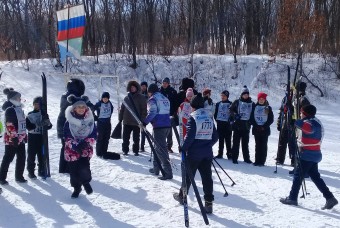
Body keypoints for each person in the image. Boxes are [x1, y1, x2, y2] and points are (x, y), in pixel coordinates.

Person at [280, 105, 338, 210]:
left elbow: (309, 129)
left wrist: (296, 121)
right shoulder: (316, 121)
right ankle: (330, 198)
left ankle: (292, 198)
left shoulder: (310, 123)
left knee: (298, 176)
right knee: (315, 177)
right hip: (314, 154)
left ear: (305, 113)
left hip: (307, 155)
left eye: (301, 112)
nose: (301, 114)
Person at [173, 93, 219, 214]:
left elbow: (189, 137)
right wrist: (207, 145)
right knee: (207, 179)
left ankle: (182, 196)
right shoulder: (209, 116)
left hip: (194, 154)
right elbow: (215, 136)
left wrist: (183, 147)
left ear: (193, 106)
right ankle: (209, 203)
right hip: (207, 154)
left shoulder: (193, 117)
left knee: (188, 177)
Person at [64, 95, 97, 198]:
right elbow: (67, 136)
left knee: (84, 168)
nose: (81, 109)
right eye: (79, 107)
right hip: (72, 151)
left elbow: (94, 134)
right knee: (73, 172)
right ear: (74, 108)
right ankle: (76, 188)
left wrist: (86, 143)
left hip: (85, 149)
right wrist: (74, 145)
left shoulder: (90, 120)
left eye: (83, 107)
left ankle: (86, 182)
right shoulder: (68, 122)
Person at [143, 83, 173, 180]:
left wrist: (145, 122)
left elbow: (153, 112)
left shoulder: (152, 99)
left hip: (159, 126)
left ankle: (168, 172)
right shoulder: (164, 98)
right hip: (167, 125)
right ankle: (156, 168)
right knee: (157, 147)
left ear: (150, 92)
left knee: (160, 149)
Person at [0, 88, 30, 185]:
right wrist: (14, 137)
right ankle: (1, 178)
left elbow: (22, 123)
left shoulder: (19, 109)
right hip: (12, 139)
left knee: (21, 157)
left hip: (20, 137)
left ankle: (19, 176)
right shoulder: (10, 110)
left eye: (20, 98)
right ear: (13, 98)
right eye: (18, 98)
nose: (20, 99)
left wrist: (24, 135)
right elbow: (9, 124)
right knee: (8, 158)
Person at [57, 78, 86, 173]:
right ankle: (67, 167)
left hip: (64, 123)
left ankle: (65, 167)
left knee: (66, 146)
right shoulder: (71, 97)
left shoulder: (66, 95)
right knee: (69, 146)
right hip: (67, 125)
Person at [26, 96, 53, 179]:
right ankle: (31, 172)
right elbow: (29, 127)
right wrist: (38, 124)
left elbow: (49, 126)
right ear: (33, 105)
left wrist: (48, 123)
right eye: (36, 104)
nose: (37, 106)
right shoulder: (30, 115)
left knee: (41, 155)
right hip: (32, 137)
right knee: (31, 155)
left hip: (42, 137)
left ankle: (41, 170)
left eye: (39, 104)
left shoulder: (44, 114)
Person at [119, 81, 147, 156]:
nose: (132, 89)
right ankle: (125, 150)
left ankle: (136, 150)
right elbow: (122, 109)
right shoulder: (126, 98)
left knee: (136, 138)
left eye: (134, 87)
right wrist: (120, 118)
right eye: (131, 87)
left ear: (137, 88)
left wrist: (142, 120)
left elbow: (144, 110)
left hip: (136, 122)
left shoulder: (141, 98)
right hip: (127, 121)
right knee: (125, 138)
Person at [230, 86, 255, 164]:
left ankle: (246, 158)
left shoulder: (252, 103)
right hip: (237, 125)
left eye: (247, 94)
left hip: (246, 126)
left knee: (245, 143)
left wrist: (251, 121)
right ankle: (234, 158)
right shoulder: (237, 102)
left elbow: (254, 113)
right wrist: (235, 115)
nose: (246, 95)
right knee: (236, 143)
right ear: (241, 95)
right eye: (244, 94)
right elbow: (230, 110)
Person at [251, 92, 273, 166]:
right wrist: (256, 125)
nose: (261, 100)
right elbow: (251, 118)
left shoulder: (268, 108)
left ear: (265, 100)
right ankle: (257, 160)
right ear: (258, 99)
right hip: (256, 129)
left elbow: (271, 119)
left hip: (265, 130)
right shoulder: (254, 107)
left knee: (263, 145)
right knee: (257, 145)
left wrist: (264, 126)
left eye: (262, 99)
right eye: (260, 99)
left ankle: (262, 161)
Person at [159, 77, 178, 153]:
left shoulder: (172, 91)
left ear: (168, 84)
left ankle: (169, 146)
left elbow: (175, 103)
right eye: (163, 83)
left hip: (170, 114)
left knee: (169, 131)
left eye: (166, 83)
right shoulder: (159, 91)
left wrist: (174, 112)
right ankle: (162, 145)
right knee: (162, 131)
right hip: (161, 114)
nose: (164, 84)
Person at [94, 92, 113, 158]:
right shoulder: (99, 104)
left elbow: (111, 110)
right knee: (100, 138)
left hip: (108, 123)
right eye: (104, 98)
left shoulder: (110, 104)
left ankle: (104, 151)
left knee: (106, 138)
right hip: (100, 123)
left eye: (106, 98)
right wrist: (95, 117)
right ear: (102, 98)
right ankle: (99, 152)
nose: (105, 99)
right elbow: (92, 109)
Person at [214, 90, 232, 159]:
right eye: (222, 95)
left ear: (227, 96)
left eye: (224, 96)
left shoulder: (230, 104)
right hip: (220, 124)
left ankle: (229, 154)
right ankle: (220, 153)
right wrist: (217, 120)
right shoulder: (218, 104)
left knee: (228, 140)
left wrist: (230, 122)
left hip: (227, 125)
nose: (222, 97)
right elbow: (215, 114)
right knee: (220, 139)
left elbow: (233, 114)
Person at [140, 81, 148, 152]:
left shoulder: (148, 94)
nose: (143, 87)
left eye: (145, 86)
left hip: (144, 114)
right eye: (142, 86)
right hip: (137, 114)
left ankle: (142, 145)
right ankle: (136, 144)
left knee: (143, 130)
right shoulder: (138, 93)